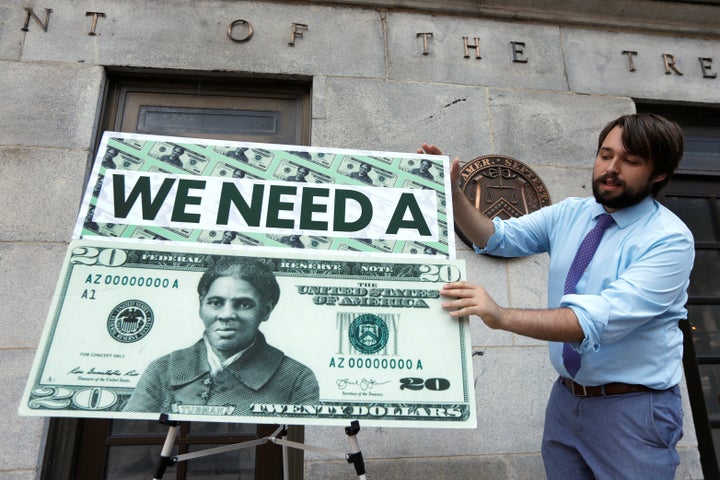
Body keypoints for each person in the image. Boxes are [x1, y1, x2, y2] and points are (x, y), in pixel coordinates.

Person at [420, 113, 694, 479]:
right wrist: (452, 193)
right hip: (566, 400)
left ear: (659, 173)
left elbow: (590, 321)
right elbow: (494, 237)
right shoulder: (572, 213)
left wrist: (500, 315)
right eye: (605, 154)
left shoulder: (669, 240)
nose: (611, 168)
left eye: (630, 161)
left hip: (633, 409)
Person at [124, 256, 320, 414]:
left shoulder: (296, 378)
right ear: (201, 305)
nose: (226, 315)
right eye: (216, 302)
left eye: (244, 304)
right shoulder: (163, 369)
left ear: (266, 311)